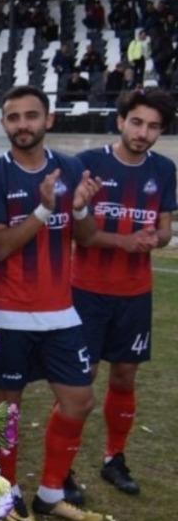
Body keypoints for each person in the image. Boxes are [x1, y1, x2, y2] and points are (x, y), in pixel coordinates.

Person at [0, 85, 105, 521]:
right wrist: (44, 208)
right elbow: (0, 245)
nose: (23, 125)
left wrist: (82, 209)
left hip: (60, 313)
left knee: (79, 400)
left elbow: (85, 237)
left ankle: (51, 494)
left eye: (31, 116)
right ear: (5, 124)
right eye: (13, 118)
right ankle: (5, 489)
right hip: (8, 314)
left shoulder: (71, 169)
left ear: (48, 120)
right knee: (7, 406)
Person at [71, 89, 176, 496]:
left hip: (135, 293)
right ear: (120, 121)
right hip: (87, 290)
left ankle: (114, 458)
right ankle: (64, 467)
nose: (143, 132)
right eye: (137, 122)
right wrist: (124, 242)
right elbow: (77, 230)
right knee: (83, 379)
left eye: (153, 126)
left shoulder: (164, 170)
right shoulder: (90, 163)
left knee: (125, 374)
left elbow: (164, 228)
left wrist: (157, 237)